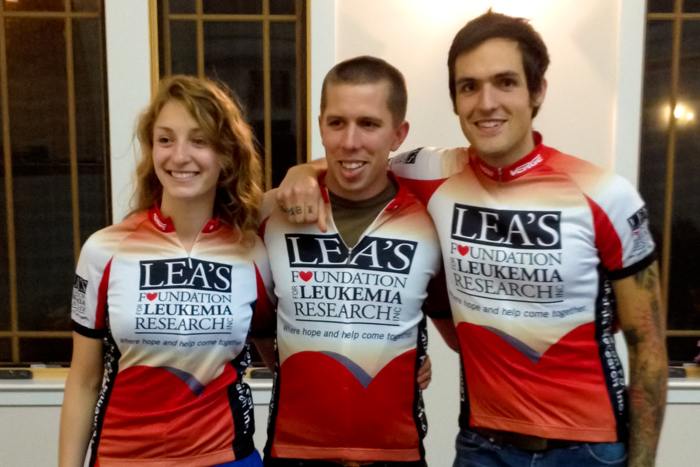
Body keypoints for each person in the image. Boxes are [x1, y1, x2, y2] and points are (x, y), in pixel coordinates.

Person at [275, 11, 667, 467]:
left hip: (590, 450)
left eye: (505, 82)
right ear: (455, 101)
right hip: (483, 447)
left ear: (537, 90)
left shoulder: (604, 194)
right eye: (469, 86)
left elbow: (650, 349)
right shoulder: (432, 173)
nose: (486, 102)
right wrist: (300, 172)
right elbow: (356, 159)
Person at [59, 75, 275, 467]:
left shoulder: (252, 252)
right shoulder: (104, 249)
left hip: (226, 458)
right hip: (122, 458)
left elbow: (282, 355)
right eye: (165, 139)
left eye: (199, 140)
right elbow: (84, 380)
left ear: (226, 154)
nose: (179, 156)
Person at [258, 56, 459, 467]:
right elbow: (258, 323)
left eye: (368, 124)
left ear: (398, 133)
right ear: (320, 126)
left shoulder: (428, 221)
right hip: (294, 453)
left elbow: (453, 330)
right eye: (337, 123)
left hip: (396, 456)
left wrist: (406, 359)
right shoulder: (271, 216)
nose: (350, 142)